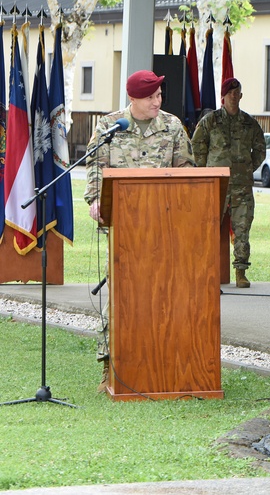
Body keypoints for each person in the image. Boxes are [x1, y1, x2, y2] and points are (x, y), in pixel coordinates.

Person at [84, 69, 195, 393]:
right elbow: (95, 166)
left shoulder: (173, 126)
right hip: (124, 225)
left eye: (159, 96)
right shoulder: (110, 126)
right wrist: (95, 201)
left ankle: (164, 362)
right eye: (150, 97)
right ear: (133, 98)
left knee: (166, 292)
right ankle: (111, 366)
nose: (157, 102)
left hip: (166, 226)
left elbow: (187, 172)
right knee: (121, 294)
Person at [191, 77, 267, 289]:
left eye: (237, 93)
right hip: (217, 184)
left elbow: (260, 148)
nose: (233, 97)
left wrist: (248, 168)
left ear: (240, 96)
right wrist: (207, 170)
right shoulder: (211, 121)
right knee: (210, 228)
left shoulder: (249, 123)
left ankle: (241, 272)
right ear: (222, 97)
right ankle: (207, 270)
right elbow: (197, 144)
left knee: (242, 228)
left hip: (242, 185)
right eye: (230, 93)